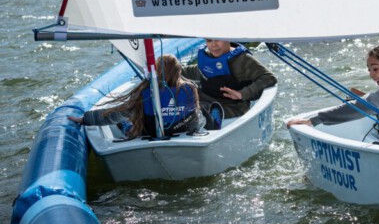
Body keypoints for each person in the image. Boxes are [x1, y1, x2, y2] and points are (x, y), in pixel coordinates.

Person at [68, 54, 206, 138]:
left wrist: (85, 119)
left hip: (150, 135)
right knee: (203, 115)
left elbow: (114, 114)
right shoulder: (190, 89)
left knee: (124, 120)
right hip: (182, 132)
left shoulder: (146, 92)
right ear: (179, 71)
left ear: (155, 72)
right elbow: (195, 118)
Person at [182, 39, 277, 128]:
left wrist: (242, 94)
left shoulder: (242, 60)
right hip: (203, 101)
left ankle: (208, 119)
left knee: (201, 111)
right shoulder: (207, 57)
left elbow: (269, 78)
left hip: (231, 107)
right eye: (209, 40)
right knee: (186, 104)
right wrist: (170, 66)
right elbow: (192, 71)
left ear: (228, 39)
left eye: (218, 40)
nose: (214, 45)